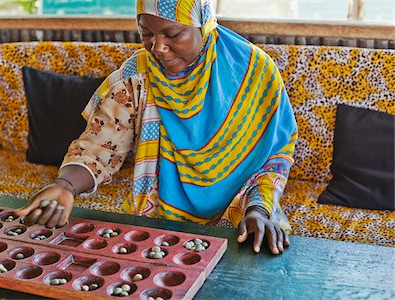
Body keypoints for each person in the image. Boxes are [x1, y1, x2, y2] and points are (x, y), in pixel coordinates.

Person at [15, 0, 298, 255]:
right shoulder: (136, 76)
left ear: (204, 24)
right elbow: (100, 146)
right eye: (146, 33)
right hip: (159, 225)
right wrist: (65, 186)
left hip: (245, 220)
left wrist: (259, 209)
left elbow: (274, 157)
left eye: (173, 34)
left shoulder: (255, 71)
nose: (158, 48)